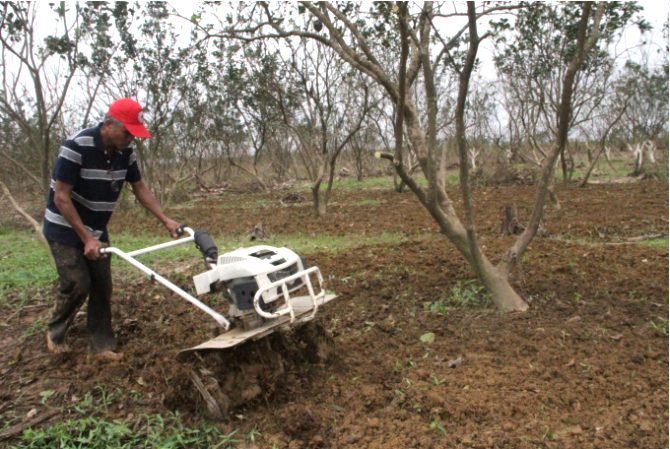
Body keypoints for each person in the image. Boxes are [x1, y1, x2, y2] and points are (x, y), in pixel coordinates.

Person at [42, 98, 181, 360]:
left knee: (103, 285)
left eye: (133, 134)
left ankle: (101, 345)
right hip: (63, 226)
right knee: (77, 282)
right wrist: (86, 239)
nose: (131, 139)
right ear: (108, 124)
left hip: (95, 228)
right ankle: (56, 331)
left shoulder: (125, 152)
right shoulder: (75, 147)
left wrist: (165, 219)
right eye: (127, 132)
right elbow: (61, 197)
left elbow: (139, 187)